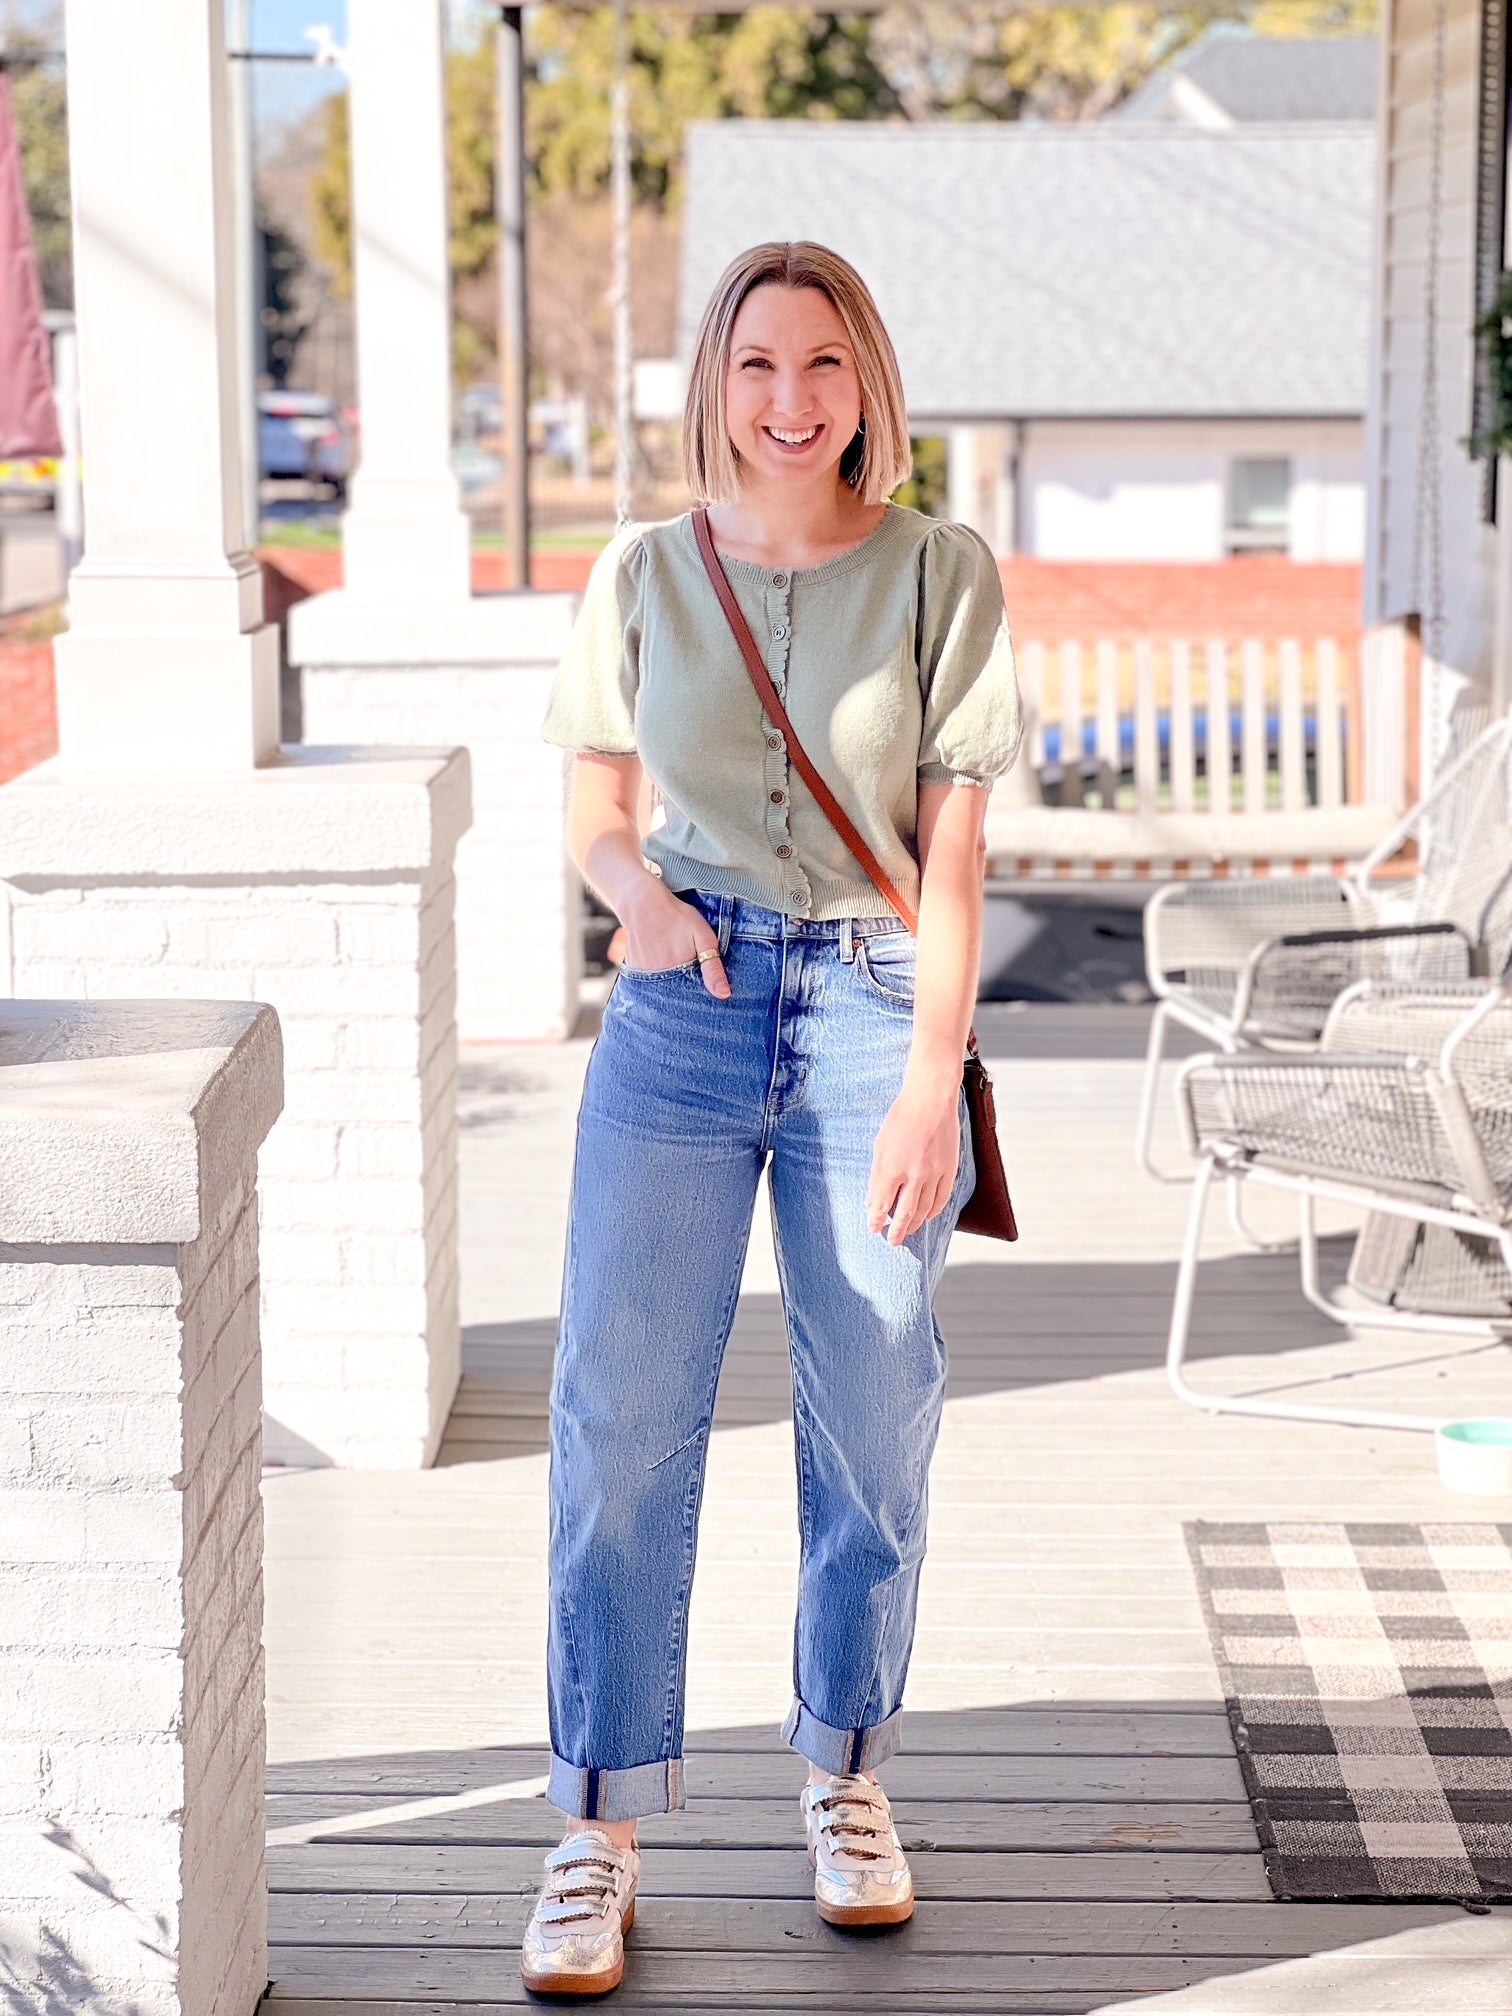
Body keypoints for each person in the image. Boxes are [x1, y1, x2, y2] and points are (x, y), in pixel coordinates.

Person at [523, 240, 1021, 1997]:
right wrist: (629, 900)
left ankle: (847, 1773)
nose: (791, 399)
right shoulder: (647, 571)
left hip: (878, 1000)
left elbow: (953, 857)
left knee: (876, 1412)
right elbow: (594, 797)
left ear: (867, 381)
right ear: (713, 387)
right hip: (684, 1007)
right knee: (618, 1419)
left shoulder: (942, 575)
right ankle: (597, 1825)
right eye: (758, 367)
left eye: (824, 365)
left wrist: (926, 1085)